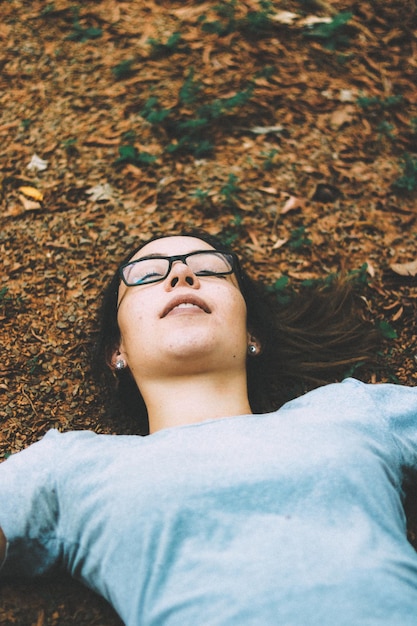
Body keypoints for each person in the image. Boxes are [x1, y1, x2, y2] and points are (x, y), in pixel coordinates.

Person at [0, 230, 416, 626]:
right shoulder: (72, 467)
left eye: (211, 268)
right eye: (146, 274)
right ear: (117, 351)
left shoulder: (349, 411)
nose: (181, 275)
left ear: (253, 333)